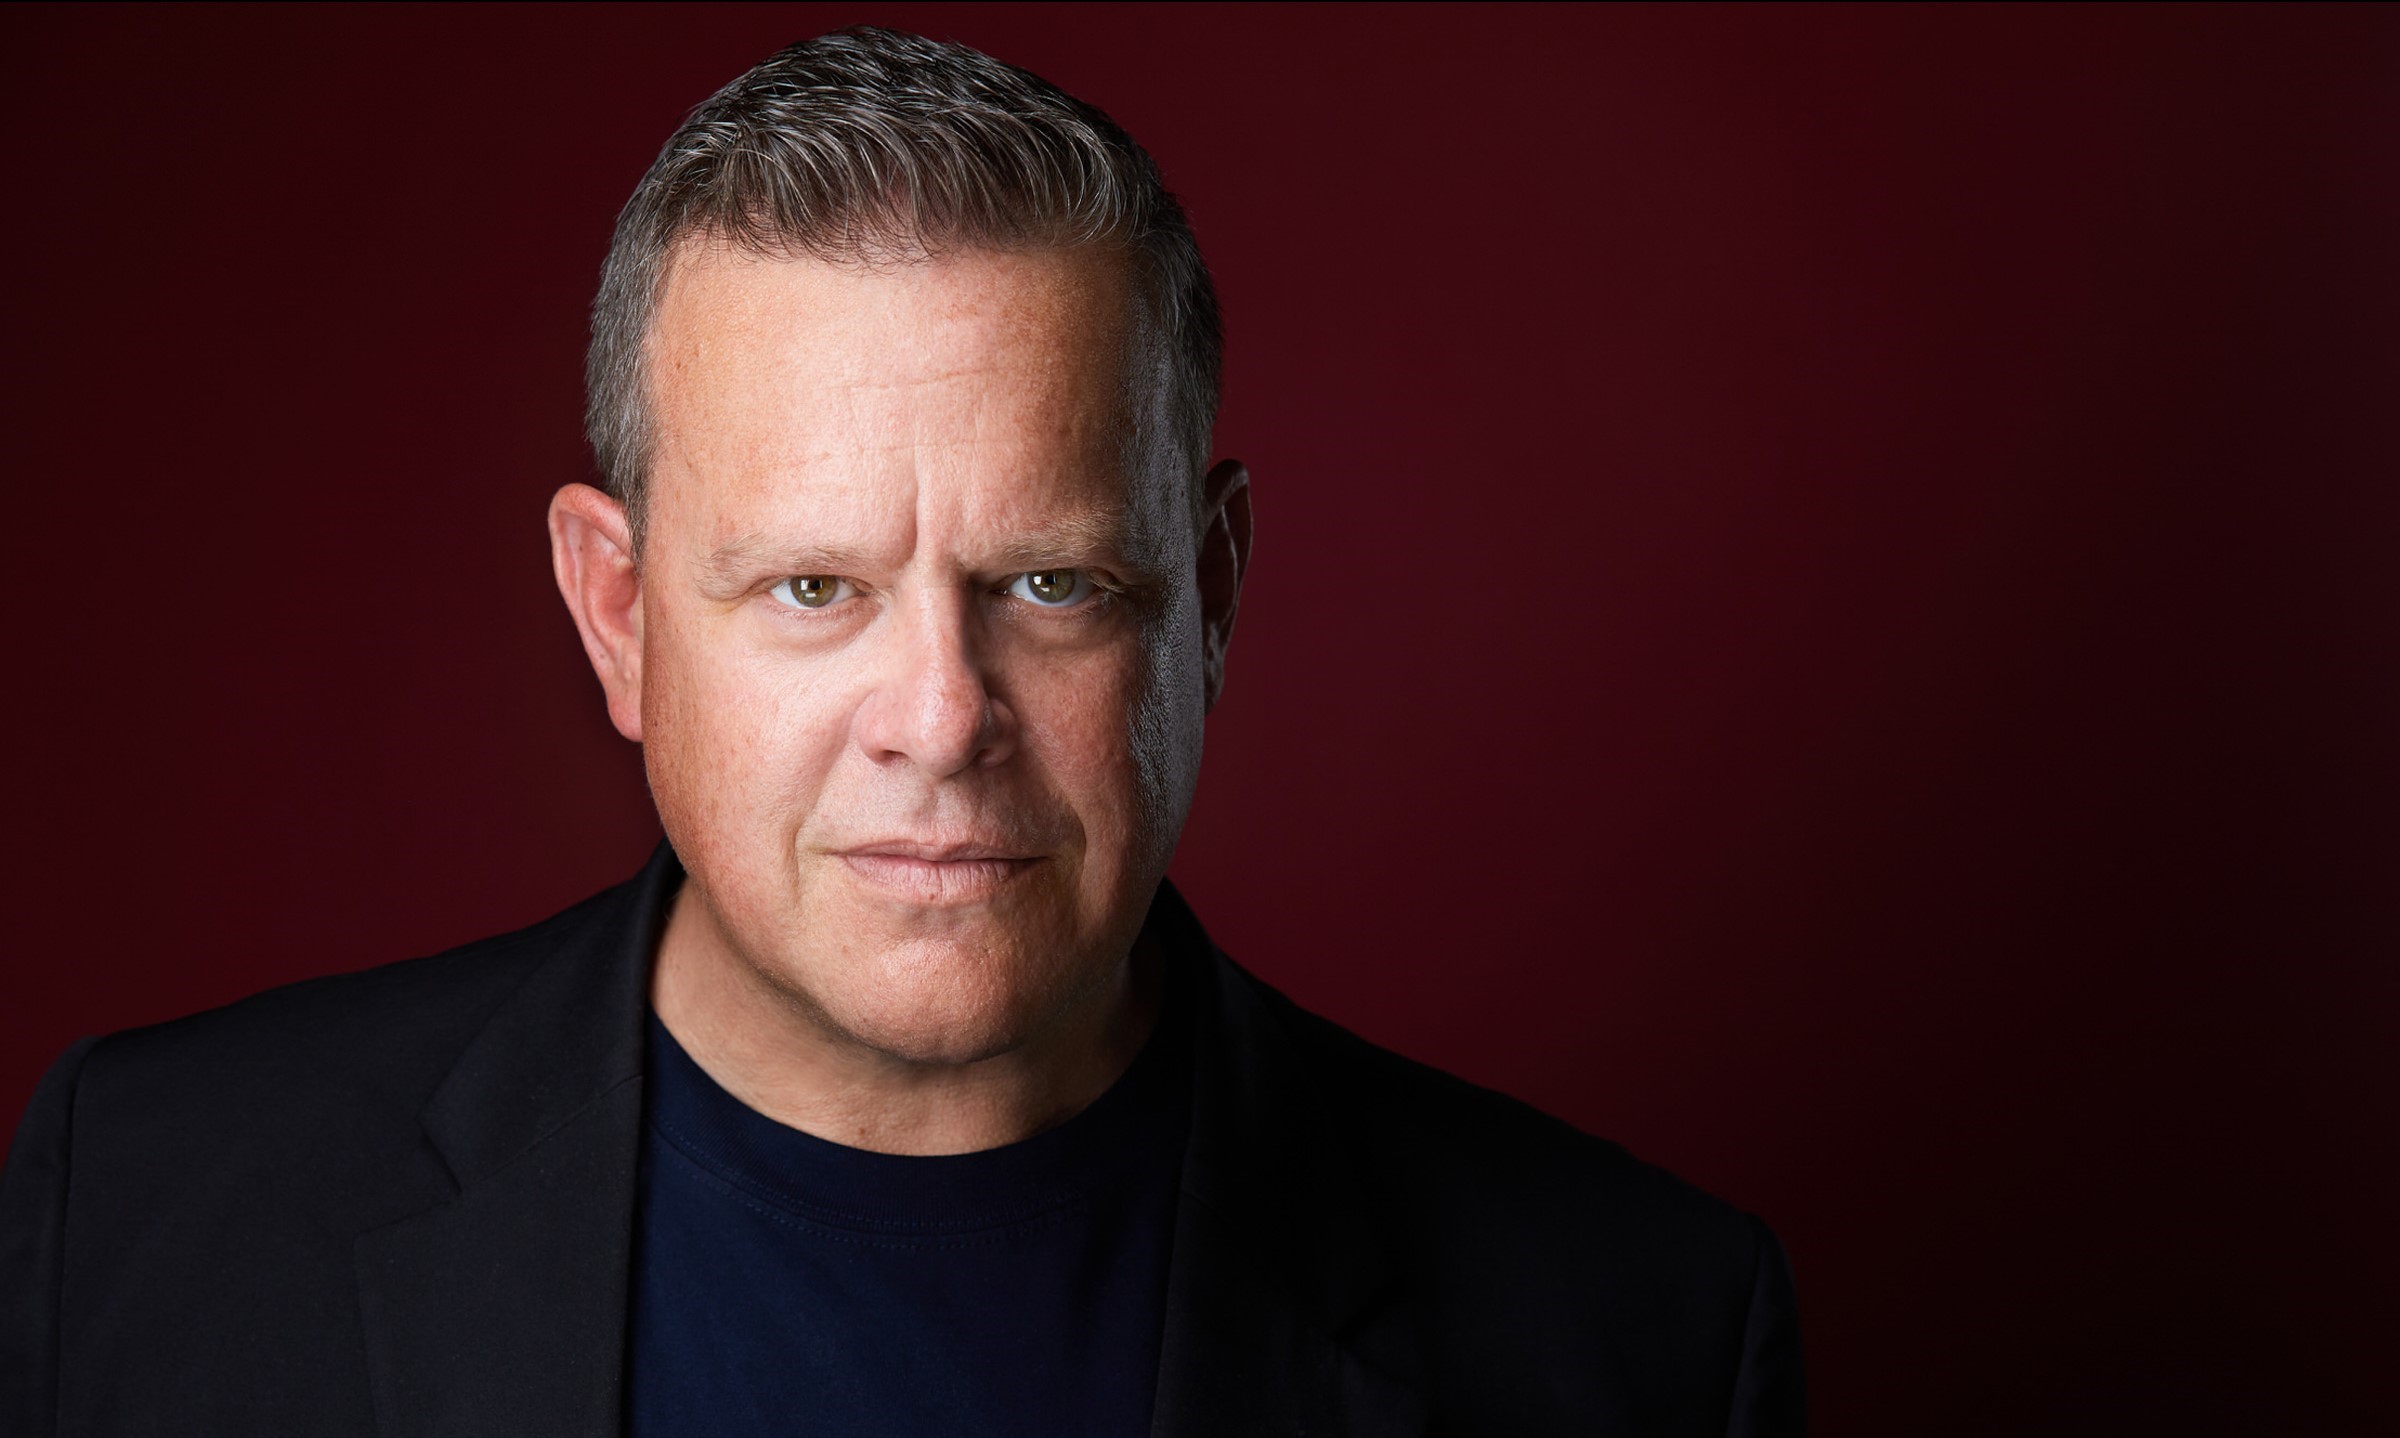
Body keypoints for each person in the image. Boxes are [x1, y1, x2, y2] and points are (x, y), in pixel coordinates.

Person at [0, 27, 1802, 1436]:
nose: (940, 719)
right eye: (810, 588)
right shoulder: (148, 1215)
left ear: (1214, 592)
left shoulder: (1634, 1338)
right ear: (616, 614)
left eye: (1048, 583)